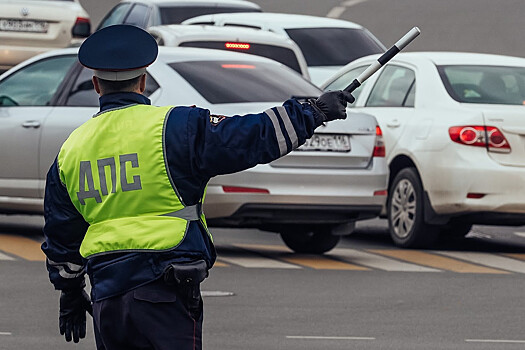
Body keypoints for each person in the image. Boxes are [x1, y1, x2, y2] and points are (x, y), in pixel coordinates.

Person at [41, 24, 354, 350]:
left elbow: (61, 235)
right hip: (164, 287)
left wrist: (70, 291)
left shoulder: (71, 150)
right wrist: (313, 112)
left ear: (96, 85)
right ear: (144, 80)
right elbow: (250, 136)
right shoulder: (175, 127)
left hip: (108, 299)